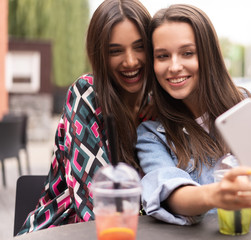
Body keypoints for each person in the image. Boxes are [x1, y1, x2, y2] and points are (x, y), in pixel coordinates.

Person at [136, 4, 251, 226]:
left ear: (209, 55)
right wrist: (213, 196)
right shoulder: (152, 133)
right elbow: (170, 193)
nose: (174, 66)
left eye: (187, 53)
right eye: (163, 56)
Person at [17, 0, 152, 235]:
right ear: (99, 53)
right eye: (115, 51)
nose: (130, 61)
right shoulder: (86, 93)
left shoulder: (157, 104)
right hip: (63, 229)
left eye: (139, 47)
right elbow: (94, 205)